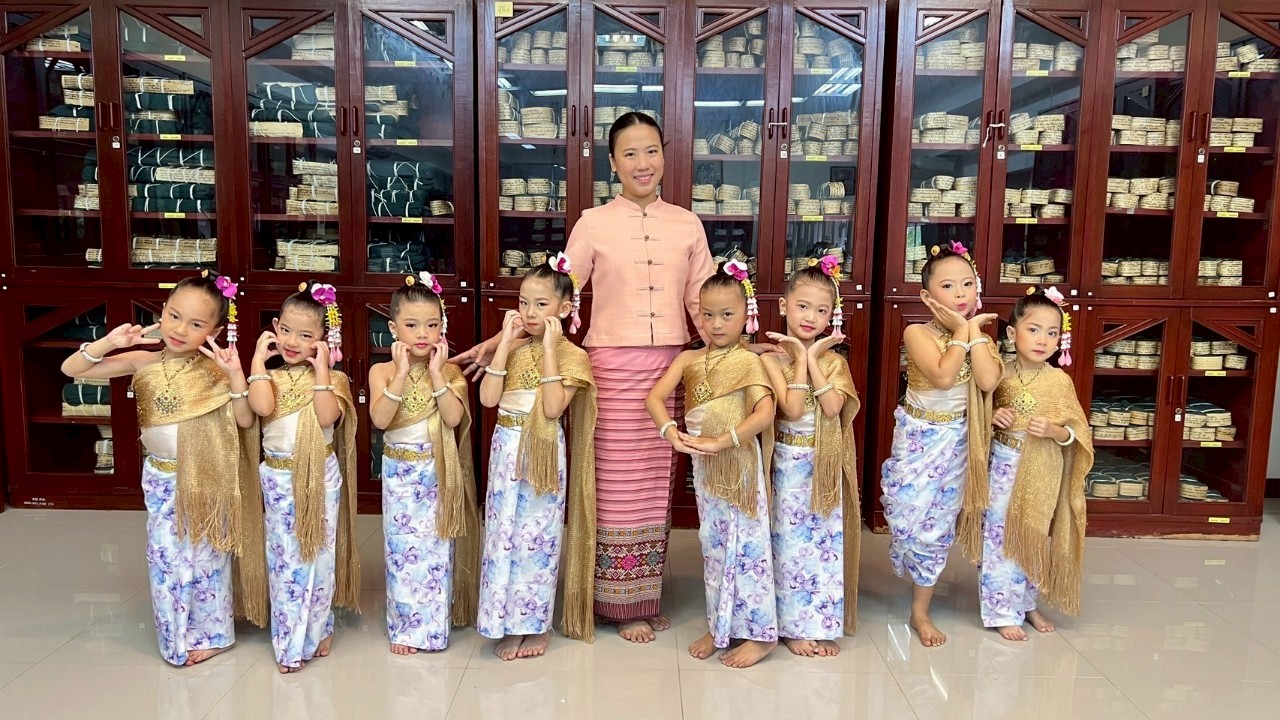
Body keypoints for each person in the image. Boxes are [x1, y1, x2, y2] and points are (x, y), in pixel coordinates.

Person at [454, 112, 716, 643]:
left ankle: (642, 596)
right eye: (629, 154)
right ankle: (609, 600)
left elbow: (704, 300)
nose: (642, 163)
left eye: (651, 151)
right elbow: (554, 295)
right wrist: (504, 339)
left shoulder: (687, 223)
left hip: (669, 369)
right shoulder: (593, 223)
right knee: (613, 486)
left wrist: (741, 348)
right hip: (610, 370)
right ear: (612, 163)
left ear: (664, 156)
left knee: (652, 487)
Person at [60, 271, 266, 666]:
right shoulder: (143, 360)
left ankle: (215, 634)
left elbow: (244, 420)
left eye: (196, 324)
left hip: (207, 477)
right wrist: (110, 342)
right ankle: (175, 634)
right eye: (173, 316)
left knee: (208, 558)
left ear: (214, 331)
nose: (180, 330)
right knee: (166, 558)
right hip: (161, 476)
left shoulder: (216, 370)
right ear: (162, 312)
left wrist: (235, 375)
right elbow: (73, 369)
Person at [646, 261, 778, 669]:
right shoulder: (688, 360)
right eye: (707, 314)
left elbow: (765, 413)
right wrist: (671, 433)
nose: (716, 324)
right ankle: (719, 626)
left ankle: (760, 635)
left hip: (739, 466)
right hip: (704, 467)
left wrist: (722, 441)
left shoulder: (749, 362)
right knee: (715, 547)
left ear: (746, 315)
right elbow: (654, 398)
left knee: (749, 547)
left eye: (727, 314)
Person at [879, 243, 1002, 648]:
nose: (961, 293)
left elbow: (987, 381)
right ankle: (911, 567)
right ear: (928, 296)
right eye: (948, 286)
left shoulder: (981, 338)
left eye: (968, 283)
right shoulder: (917, 332)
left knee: (935, 528)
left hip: (957, 442)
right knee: (904, 514)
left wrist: (973, 334)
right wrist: (964, 332)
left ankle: (920, 610)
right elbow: (943, 377)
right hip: (918, 437)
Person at [477, 256, 597, 660]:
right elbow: (488, 399)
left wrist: (548, 348)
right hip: (506, 449)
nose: (529, 313)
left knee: (536, 540)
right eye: (523, 302)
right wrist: (503, 344)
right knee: (502, 535)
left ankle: (535, 625)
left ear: (564, 309)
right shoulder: (512, 349)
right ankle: (503, 623)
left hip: (542, 453)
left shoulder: (573, 356)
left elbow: (551, 408)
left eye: (540, 304)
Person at [245, 282, 360, 673]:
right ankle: (290, 643)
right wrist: (257, 362)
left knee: (319, 557)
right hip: (278, 478)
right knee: (285, 560)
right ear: (275, 328)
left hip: (320, 475)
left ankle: (320, 627)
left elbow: (327, 417)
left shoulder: (334, 380)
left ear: (325, 339)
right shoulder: (270, 378)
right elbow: (261, 408)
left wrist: (322, 369)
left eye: (306, 335)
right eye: (286, 330)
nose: (292, 342)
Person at [368, 272, 480, 655]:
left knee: (435, 551)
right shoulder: (382, 371)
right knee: (402, 550)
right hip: (399, 474)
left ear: (442, 328)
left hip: (437, 472)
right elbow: (381, 420)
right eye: (412, 325)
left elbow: (453, 418)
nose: (422, 334)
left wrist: (435, 375)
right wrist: (401, 374)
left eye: (432, 325)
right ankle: (404, 628)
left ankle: (432, 628)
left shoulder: (448, 372)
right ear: (393, 328)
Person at [760, 258, 861, 657]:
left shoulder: (835, 361)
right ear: (784, 306)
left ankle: (820, 622)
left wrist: (812, 359)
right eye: (803, 306)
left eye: (821, 310)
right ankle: (790, 625)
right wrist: (801, 359)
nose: (810, 317)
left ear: (831, 316)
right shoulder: (770, 360)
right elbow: (793, 410)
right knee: (789, 543)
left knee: (824, 543)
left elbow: (834, 408)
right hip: (787, 462)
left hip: (825, 463)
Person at [985, 287, 1092, 640]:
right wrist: (992, 417)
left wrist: (1054, 431)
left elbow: (1077, 434)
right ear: (1011, 333)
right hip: (1003, 467)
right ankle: (1002, 609)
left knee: (1033, 534)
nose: (1043, 340)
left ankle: (1028, 602)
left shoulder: (1059, 381)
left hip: (1043, 469)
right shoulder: (998, 375)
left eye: (1052, 333)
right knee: (1001, 536)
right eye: (1033, 330)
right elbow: (976, 417)